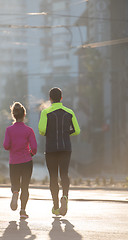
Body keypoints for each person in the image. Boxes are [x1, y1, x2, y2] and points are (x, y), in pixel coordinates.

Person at [38, 87, 80, 216]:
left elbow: (42, 130)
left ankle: (56, 206)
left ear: (50, 99)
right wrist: (66, 133)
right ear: (61, 98)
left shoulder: (46, 112)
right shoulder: (69, 112)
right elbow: (77, 130)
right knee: (64, 173)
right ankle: (65, 197)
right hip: (65, 148)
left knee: (53, 177)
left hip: (51, 149)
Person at [3, 102, 37, 219]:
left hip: (14, 162)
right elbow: (35, 148)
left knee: (15, 184)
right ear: (24, 115)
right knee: (25, 186)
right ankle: (22, 211)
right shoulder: (29, 130)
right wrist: (30, 154)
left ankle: (15, 193)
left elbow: (6, 146)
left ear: (13, 115)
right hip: (27, 161)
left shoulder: (9, 130)